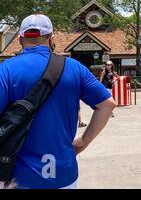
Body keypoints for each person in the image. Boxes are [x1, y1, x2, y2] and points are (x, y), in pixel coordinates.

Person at [0, 14, 115, 189]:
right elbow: (107, 104)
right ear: (52, 38)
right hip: (64, 174)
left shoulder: (5, 70)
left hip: (18, 177)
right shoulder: (74, 68)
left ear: (20, 39)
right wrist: (82, 142)